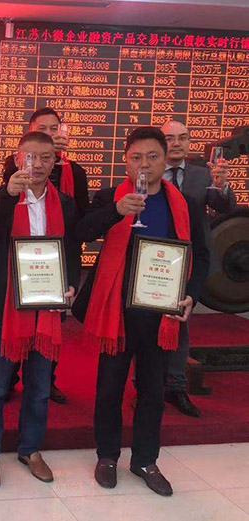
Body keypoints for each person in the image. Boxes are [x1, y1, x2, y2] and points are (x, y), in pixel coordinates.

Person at [73, 126, 210, 497]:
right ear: (125, 161)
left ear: (166, 161)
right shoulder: (109, 197)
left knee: (152, 391)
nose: (144, 165)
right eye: (136, 158)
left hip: (161, 313)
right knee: (109, 388)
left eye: (152, 157)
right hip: (116, 312)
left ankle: (146, 460)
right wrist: (115, 212)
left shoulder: (184, 203)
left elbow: (202, 256)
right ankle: (107, 456)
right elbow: (80, 232)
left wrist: (191, 296)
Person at [0, 131, 81, 488]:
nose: (37, 164)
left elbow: (71, 249)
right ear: (18, 158)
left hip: (46, 304)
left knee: (38, 385)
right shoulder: (0, 195)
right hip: (6, 305)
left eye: (45, 157)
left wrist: (71, 283)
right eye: (30, 157)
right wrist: (9, 194)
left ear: (55, 162)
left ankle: (30, 449)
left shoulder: (64, 202)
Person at [3, 106, 88, 404]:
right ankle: (9, 377)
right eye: (43, 129)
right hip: (16, 276)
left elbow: (77, 231)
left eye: (55, 129)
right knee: (1, 370)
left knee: (44, 356)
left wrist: (70, 281)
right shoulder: (13, 171)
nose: (50, 134)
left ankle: (45, 381)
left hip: (51, 276)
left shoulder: (72, 176)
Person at [158, 119, 237, 417]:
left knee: (181, 323)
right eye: (170, 138)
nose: (177, 143)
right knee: (146, 325)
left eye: (183, 138)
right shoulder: (149, 172)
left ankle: (176, 387)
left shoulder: (203, 174)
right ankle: (146, 387)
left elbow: (225, 206)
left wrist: (222, 186)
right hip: (154, 260)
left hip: (190, 260)